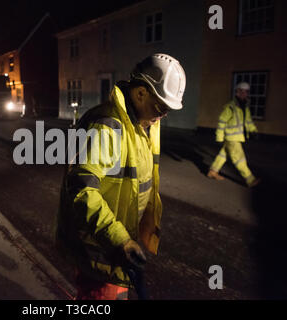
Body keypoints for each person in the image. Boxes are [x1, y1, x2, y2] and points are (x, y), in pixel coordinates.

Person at [56, 53, 186, 300]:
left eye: (168, 109)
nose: (163, 115)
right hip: (101, 252)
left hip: (116, 251)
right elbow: (82, 190)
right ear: (140, 93)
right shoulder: (108, 125)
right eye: (161, 107)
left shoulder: (144, 124)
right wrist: (120, 241)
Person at [207, 82, 260, 187]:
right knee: (239, 158)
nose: (245, 94)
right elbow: (222, 121)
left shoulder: (244, 107)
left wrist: (253, 131)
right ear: (238, 92)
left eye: (246, 92)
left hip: (236, 137)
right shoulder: (230, 107)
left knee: (223, 155)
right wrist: (219, 137)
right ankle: (250, 180)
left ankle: (212, 172)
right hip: (232, 138)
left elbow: (248, 121)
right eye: (242, 92)